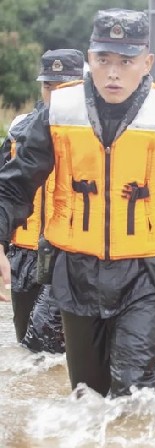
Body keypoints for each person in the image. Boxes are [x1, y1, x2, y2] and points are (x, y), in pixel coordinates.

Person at [0, 9, 155, 397]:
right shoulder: (60, 112)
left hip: (146, 272)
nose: (113, 73)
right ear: (89, 58)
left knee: (133, 390)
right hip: (75, 268)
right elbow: (15, 184)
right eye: (104, 59)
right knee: (87, 394)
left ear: (147, 63)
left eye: (126, 61)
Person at [0, 49, 85, 352]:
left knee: (45, 339)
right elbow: (5, 189)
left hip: (69, 253)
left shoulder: (95, 134)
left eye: (64, 88)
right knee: (27, 347)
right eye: (48, 87)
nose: (54, 95)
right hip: (24, 252)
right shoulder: (19, 130)